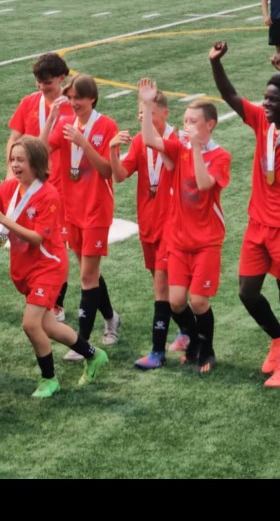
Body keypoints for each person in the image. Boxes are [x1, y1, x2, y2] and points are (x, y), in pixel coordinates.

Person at [0, 136, 108, 396]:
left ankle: (50, 379)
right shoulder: (10, 187)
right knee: (48, 326)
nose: (14, 164)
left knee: (30, 324)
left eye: (20, 160)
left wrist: (2, 219)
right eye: (12, 159)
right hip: (26, 267)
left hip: (48, 266)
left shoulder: (49, 195)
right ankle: (94, 354)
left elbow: (37, 237)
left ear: (36, 163)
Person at [210, 42, 280, 388]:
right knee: (247, 291)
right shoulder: (263, 121)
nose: (266, 104)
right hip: (258, 223)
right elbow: (229, 94)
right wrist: (215, 63)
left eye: (273, 99)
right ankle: (277, 338)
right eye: (265, 98)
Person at [141, 79, 230, 374]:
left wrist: (193, 148)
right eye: (184, 121)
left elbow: (205, 185)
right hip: (179, 241)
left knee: (199, 301)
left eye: (193, 121)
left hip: (206, 241)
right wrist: (146, 104)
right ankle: (192, 340)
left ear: (210, 125)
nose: (187, 125)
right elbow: (152, 141)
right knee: (177, 302)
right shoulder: (178, 147)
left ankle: (206, 350)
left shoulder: (220, 156)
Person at [39, 74, 121, 358]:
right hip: (70, 211)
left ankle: (82, 342)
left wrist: (84, 143)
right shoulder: (63, 124)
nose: (74, 103)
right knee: (90, 273)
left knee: (87, 277)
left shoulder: (107, 125)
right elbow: (39, 152)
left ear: (92, 99)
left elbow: (108, 171)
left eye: (79, 99)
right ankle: (111, 318)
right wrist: (51, 117)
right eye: (71, 98)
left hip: (97, 210)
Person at [109, 88, 191, 369]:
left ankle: (157, 352)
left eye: (150, 113)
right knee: (166, 291)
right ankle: (190, 331)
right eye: (141, 112)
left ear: (165, 114)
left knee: (160, 288)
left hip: (173, 225)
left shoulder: (179, 141)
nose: (144, 117)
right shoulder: (139, 142)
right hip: (149, 224)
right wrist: (112, 150)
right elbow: (119, 176)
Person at [6, 52, 73, 321]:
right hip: (29, 190)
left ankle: (57, 303)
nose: (42, 87)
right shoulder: (28, 103)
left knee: (59, 247)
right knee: (33, 246)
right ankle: (44, 299)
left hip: (62, 190)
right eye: (38, 81)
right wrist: (11, 176)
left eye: (47, 82)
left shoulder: (71, 107)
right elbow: (13, 140)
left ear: (62, 78)